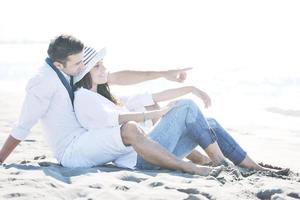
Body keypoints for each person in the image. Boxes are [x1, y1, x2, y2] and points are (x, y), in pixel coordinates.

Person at [0, 35, 207, 175]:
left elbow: (118, 77)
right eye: (79, 63)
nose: (83, 67)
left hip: (89, 134)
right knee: (132, 128)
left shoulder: (69, 70)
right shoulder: (42, 82)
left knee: (147, 111)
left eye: (83, 62)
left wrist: (163, 73)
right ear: (58, 65)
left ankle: (201, 159)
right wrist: (1, 160)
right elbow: (22, 126)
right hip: (73, 150)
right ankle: (183, 165)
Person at [70, 46, 277, 175]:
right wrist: (155, 114)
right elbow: (116, 119)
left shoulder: (107, 98)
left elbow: (153, 97)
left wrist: (190, 88)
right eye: (96, 66)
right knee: (186, 107)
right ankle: (221, 163)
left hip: (153, 153)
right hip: (139, 160)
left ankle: (253, 166)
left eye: (102, 64)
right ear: (84, 73)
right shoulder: (84, 98)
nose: (104, 68)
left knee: (209, 122)